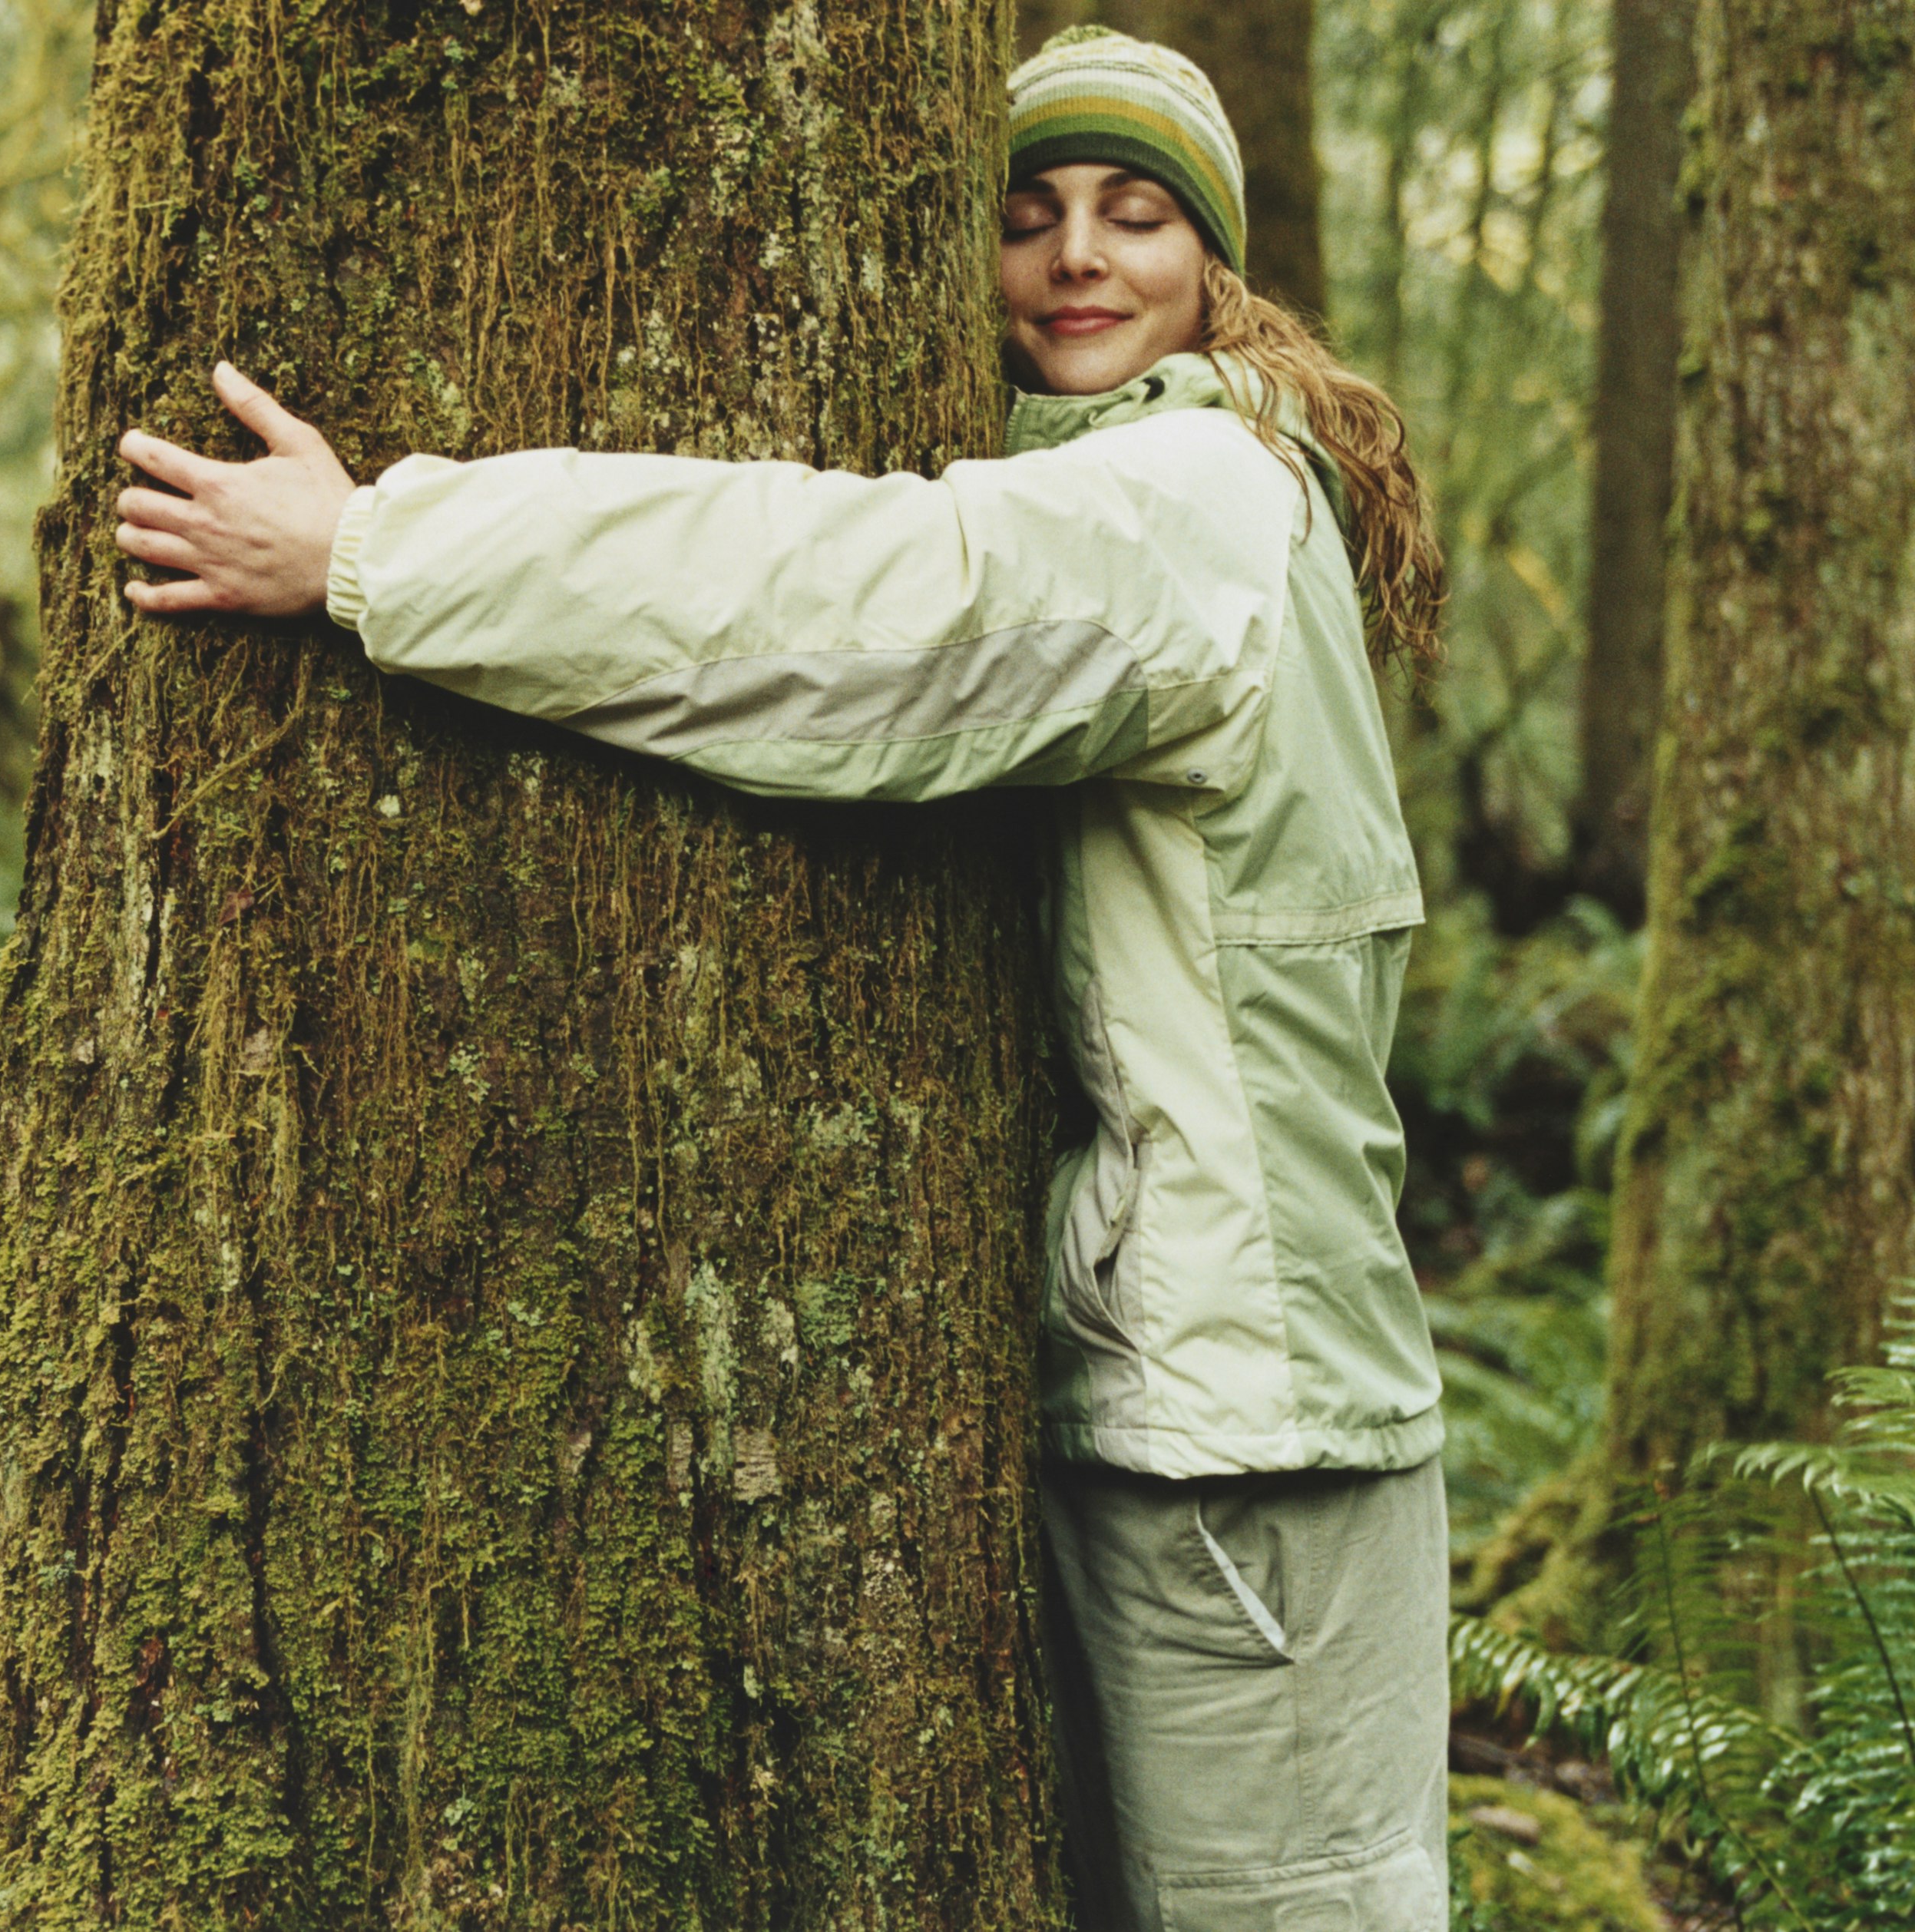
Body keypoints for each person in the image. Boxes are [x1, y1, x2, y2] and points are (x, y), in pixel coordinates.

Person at [111, 27, 1451, 1932]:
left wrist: (380, 547)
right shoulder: (1204, 485)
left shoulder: (1196, 501)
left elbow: (850, 609)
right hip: (1217, 1408)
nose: (1078, 255)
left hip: (1250, 1446)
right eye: (1028, 214)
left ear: (1215, 266)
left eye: (1136, 215)